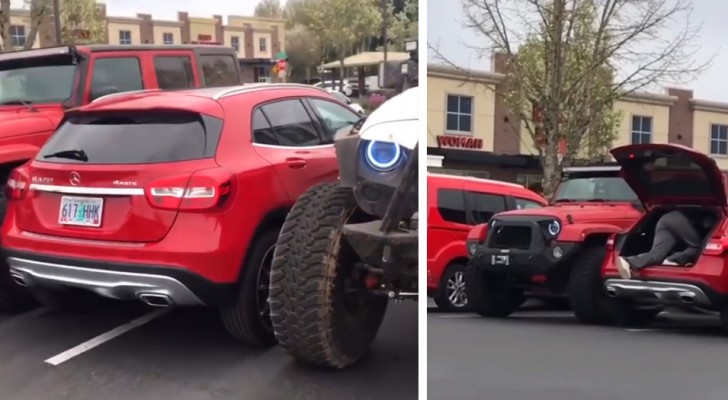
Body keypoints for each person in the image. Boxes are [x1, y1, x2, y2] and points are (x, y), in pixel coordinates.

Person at [615, 209, 704, 280]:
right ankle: (673, 260)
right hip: (679, 218)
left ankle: (628, 261)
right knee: (698, 247)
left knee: (657, 254)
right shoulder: (706, 216)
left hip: (665, 219)